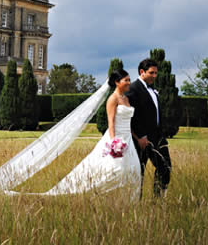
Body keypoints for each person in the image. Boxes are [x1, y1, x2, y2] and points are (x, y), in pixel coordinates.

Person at [41, 69, 141, 197]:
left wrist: (136, 137)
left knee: (134, 169)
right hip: (117, 138)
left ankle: (130, 199)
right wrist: (113, 143)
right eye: (125, 80)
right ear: (117, 82)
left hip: (128, 139)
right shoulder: (113, 99)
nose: (129, 82)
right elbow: (111, 122)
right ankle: (96, 193)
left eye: (129, 80)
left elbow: (128, 122)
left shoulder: (126, 99)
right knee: (115, 169)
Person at [126, 58, 171, 197]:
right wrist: (140, 137)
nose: (154, 76)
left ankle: (158, 200)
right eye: (151, 73)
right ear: (142, 72)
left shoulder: (153, 90)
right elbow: (131, 116)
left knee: (165, 167)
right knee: (139, 171)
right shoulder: (133, 89)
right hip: (141, 140)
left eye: (156, 73)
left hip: (158, 138)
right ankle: (135, 203)